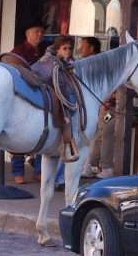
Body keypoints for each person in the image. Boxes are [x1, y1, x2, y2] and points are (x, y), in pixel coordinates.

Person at [9, 16, 46, 184]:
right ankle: (18, 171)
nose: (40, 35)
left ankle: (39, 170)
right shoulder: (17, 53)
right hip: (23, 96)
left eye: (42, 32)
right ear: (28, 34)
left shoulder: (45, 52)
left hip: (40, 96)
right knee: (18, 134)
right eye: (37, 32)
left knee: (43, 131)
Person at [77, 37, 117, 179]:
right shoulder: (84, 64)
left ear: (91, 48)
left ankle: (107, 167)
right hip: (100, 105)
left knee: (105, 131)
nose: (80, 49)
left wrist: (111, 95)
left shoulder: (103, 64)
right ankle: (89, 165)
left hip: (114, 106)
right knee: (97, 133)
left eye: (83, 46)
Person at [52, 34, 75, 191]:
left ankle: (59, 178)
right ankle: (56, 178)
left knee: (66, 144)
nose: (68, 51)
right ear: (58, 50)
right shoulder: (55, 65)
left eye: (69, 48)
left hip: (70, 109)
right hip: (58, 108)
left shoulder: (72, 65)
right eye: (64, 48)